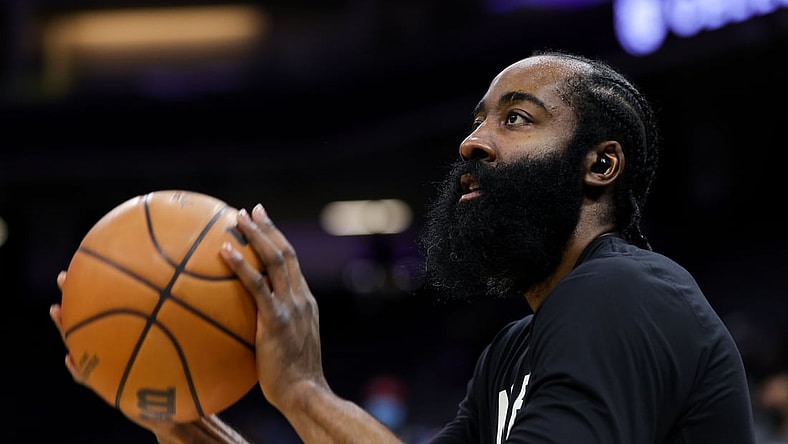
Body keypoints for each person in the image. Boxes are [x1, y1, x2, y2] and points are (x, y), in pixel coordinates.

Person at [49, 48, 757, 443]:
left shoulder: (628, 293)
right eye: (478, 119)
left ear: (600, 165)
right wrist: (183, 426)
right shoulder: (513, 353)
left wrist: (302, 391)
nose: (472, 141)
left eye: (517, 119)